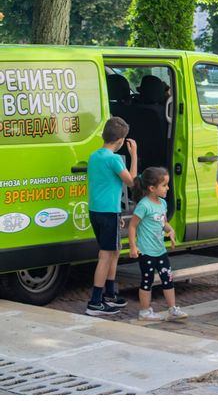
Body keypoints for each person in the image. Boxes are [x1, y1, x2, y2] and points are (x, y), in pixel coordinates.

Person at [85, 117, 138, 316]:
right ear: (120, 141)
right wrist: (133, 155)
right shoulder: (114, 159)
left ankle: (109, 294)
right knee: (106, 255)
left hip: (97, 210)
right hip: (108, 212)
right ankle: (95, 301)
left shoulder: (94, 156)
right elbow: (132, 181)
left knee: (114, 251)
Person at [128, 167, 187, 321]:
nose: (168, 188)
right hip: (146, 252)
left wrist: (171, 230)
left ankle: (172, 309)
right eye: (164, 185)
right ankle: (144, 311)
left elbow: (164, 222)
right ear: (152, 188)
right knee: (147, 280)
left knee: (168, 278)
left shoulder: (162, 203)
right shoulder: (144, 205)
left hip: (160, 250)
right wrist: (133, 246)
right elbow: (133, 226)